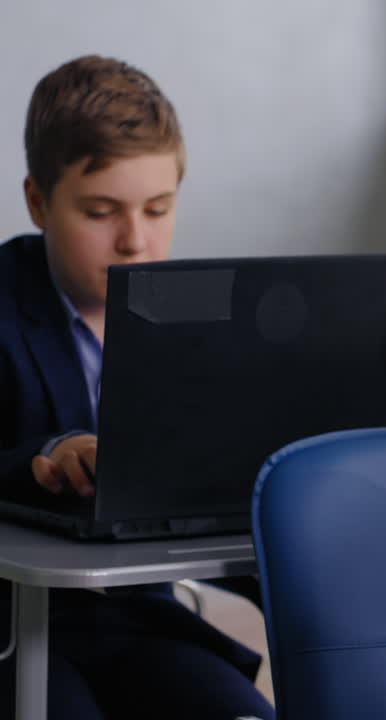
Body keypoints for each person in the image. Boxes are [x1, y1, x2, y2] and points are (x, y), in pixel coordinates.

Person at [0, 55, 274, 719]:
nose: (135, 241)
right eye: (100, 212)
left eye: (158, 209)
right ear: (39, 201)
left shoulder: (200, 321)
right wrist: (50, 457)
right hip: (16, 630)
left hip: (140, 622)